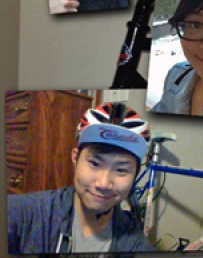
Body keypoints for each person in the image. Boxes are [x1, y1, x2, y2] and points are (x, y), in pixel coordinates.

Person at [8, 102, 154, 254]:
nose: (103, 184)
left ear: (135, 175)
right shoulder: (26, 215)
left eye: (121, 170)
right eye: (95, 163)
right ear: (75, 158)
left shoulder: (134, 243)